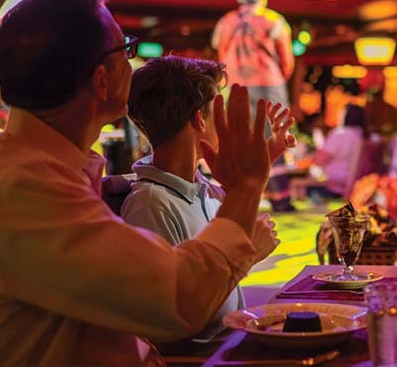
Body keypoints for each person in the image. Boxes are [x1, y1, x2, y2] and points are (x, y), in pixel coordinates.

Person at [0, 0, 276, 365]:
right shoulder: (23, 189)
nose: (133, 62)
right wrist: (246, 187)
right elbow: (175, 302)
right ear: (101, 80)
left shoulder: (47, 170)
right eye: (126, 49)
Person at [121, 56, 290, 340]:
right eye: (219, 110)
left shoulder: (201, 188)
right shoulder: (150, 205)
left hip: (231, 343)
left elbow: (239, 206)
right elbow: (169, 321)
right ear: (200, 118)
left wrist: (268, 155)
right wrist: (247, 258)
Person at [211, 0, 294, 119]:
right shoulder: (275, 21)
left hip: (234, 84)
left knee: (235, 130)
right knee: (272, 132)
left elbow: (221, 53)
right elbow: (286, 60)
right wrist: (278, 76)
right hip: (268, 84)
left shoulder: (226, 21)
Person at [312, 104, 366, 198]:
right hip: (360, 186)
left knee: (299, 183)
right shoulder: (368, 136)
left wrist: (319, 142)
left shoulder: (339, 135)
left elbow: (319, 161)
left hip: (336, 186)